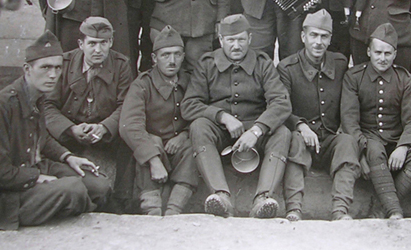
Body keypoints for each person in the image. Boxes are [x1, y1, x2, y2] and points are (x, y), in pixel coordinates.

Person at [0, 31, 111, 230]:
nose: (53, 75)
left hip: (33, 166)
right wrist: (37, 178)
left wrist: (68, 157)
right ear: (27, 69)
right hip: (1, 195)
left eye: (58, 68)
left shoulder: (37, 95)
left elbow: (42, 139)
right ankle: (80, 221)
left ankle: (64, 209)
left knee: (99, 185)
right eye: (45, 67)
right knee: (73, 188)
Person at [182, 14, 292, 218]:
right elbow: (189, 105)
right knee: (198, 126)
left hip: (254, 130)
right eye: (230, 40)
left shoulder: (262, 63)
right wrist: (222, 116)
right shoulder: (207, 64)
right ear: (221, 40)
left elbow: (281, 102)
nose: (236, 45)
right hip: (220, 131)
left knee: (283, 133)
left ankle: (263, 199)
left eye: (241, 39)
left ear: (250, 39)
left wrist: (257, 130)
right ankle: (221, 196)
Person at [42, 17, 135, 212]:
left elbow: (125, 106)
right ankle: (54, 189)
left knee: (131, 134)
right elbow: (48, 105)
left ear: (111, 42)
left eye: (103, 43)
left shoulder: (121, 65)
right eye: (92, 43)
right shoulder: (64, 63)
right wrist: (70, 129)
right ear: (81, 44)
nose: (98, 50)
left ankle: (121, 198)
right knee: (45, 136)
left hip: (104, 131)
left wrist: (104, 127)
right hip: (70, 129)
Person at [277, 10, 360, 221]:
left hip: (329, 139)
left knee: (347, 142)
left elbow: (349, 102)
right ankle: (294, 209)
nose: (318, 42)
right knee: (295, 141)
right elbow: (281, 107)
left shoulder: (340, 64)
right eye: (313, 35)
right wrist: (301, 126)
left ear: (330, 39)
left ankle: (340, 210)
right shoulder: (287, 68)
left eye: (324, 36)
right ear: (303, 37)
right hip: (302, 139)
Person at [341, 23, 411, 219]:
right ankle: (395, 211)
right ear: (369, 52)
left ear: (395, 54)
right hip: (369, 141)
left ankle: (381, 208)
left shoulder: (403, 79)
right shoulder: (354, 77)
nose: (382, 58)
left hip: (396, 142)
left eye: (387, 53)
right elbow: (349, 121)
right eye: (378, 52)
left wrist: (404, 147)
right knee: (374, 149)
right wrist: (360, 152)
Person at [119, 26, 198, 216]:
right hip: (153, 147)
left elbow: (200, 112)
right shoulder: (142, 85)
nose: (172, 61)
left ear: (183, 56)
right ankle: (151, 208)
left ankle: (174, 209)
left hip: (180, 148)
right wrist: (153, 160)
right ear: (154, 59)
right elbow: (129, 125)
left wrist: (184, 135)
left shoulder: (191, 81)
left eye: (177, 54)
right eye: (165, 55)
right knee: (149, 144)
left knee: (195, 146)